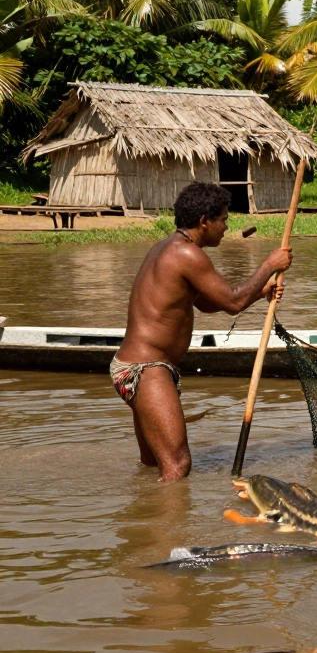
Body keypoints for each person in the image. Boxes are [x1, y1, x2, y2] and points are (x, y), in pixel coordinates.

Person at [113, 182, 291, 481]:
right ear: (204, 221)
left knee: (154, 465)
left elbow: (210, 304)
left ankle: (145, 522)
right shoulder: (187, 254)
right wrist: (269, 265)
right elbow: (233, 302)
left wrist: (261, 291)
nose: (225, 227)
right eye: (223, 219)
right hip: (146, 370)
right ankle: (174, 529)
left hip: (137, 368)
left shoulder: (167, 248)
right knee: (178, 466)